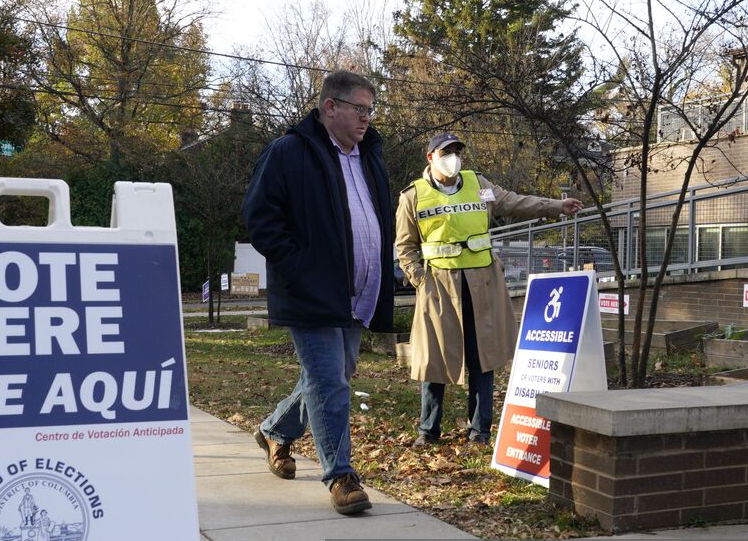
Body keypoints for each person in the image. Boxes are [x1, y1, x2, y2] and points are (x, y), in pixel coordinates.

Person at [242, 70, 394, 515]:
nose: (367, 119)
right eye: (359, 109)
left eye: (370, 110)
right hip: (311, 293)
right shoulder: (290, 152)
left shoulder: (369, 157)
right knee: (329, 382)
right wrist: (298, 269)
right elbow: (259, 217)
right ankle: (342, 476)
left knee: (331, 379)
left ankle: (274, 430)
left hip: (357, 294)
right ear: (331, 107)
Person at [395, 133, 583, 447]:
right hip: (439, 288)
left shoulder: (477, 184)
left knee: (483, 357)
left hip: (482, 284)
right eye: (446, 152)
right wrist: (420, 280)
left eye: (457, 151)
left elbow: (514, 202)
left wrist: (556, 206)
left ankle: (480, 430)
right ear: (430, 157)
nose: (453, 157)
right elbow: (405, 246)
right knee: (435, 359)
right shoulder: (413, 196)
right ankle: (428, 431)